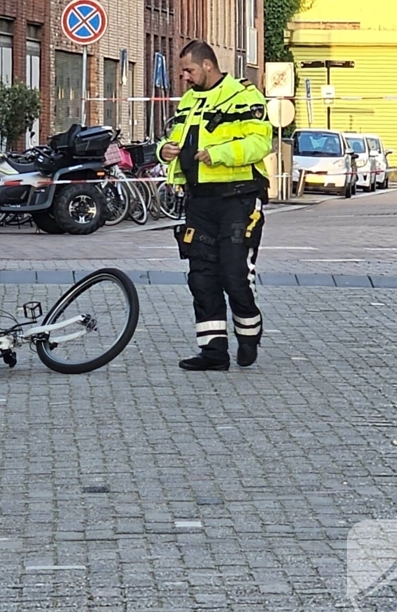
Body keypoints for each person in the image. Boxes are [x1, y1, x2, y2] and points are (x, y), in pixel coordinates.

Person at [157, 40, 273, 371]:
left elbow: (260, 142)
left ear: (208, 65)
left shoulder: (242, 95)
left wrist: (217, 154)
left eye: (189, 70)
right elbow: (174, 138)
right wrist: (163, 150)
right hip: (200, 201)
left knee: (234, 273)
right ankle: (213, 352)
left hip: (238, 198)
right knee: (202, 278)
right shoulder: (190, 101)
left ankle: (249, 333)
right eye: (182, 71)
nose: (184, 77)